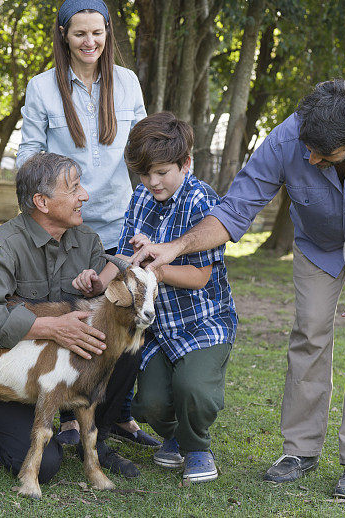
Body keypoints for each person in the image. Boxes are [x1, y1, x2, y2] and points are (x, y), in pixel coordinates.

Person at [131, 80, 345, 498]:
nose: (308, 158)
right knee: (309, 333)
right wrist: (175, 247)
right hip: (320, 244)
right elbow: (237, 208)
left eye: (322, 156)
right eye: (306, 148)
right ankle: (300, 451)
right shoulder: (290, 136)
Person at [14, 0, 157, 448]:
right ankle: (72, 415)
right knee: (74, 309)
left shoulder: (128, 82)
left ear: (107, 33)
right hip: (68, 223)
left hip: (118, 217)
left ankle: (118, 414)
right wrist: (37, 195)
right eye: (80, 33)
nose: (89, 41)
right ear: (64, 35)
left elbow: (143, 145)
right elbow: (29, 149)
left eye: (97, 32)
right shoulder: (42, 87)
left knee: (125, 311)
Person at [0, 152, 142, 481]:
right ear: (41, 201)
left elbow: (101, 308)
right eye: (74, 188)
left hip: (63, 372)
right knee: (48, 466)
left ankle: (95, 441)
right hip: (10, 378)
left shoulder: (87, 242)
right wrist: (50, 327)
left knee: (123, 345)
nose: (84, 195)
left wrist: (95, 290)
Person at [71, 112, 237, 483]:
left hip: (201, 322)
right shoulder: (141, 198)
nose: (152, 182)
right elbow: (126, 258)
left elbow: (200, 277)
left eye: (162, 172)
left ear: (185, 163)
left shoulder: (200, 201)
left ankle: (197, 448)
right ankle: (175, 436)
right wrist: (101, 282)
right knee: (150, 403)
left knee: (194, 389)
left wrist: (156, 268)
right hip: (155, 324)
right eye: (145, 175)